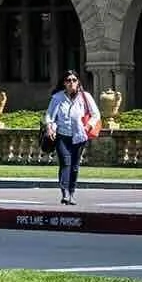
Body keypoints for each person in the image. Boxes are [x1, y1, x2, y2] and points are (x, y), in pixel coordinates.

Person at [45, 70, 100, 205]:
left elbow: (96, 114)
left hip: (79, 136)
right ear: (64, 83)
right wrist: (50, 127)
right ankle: (64, 193)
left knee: (75, 166)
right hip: (62, 136)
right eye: (68, 80)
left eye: (74, 80)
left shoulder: (85, 97)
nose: (71, 83)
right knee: (65, 162)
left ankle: (72, 193)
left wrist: (88, 127)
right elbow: (49, 116)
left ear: (78, 82)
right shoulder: (57, 98)